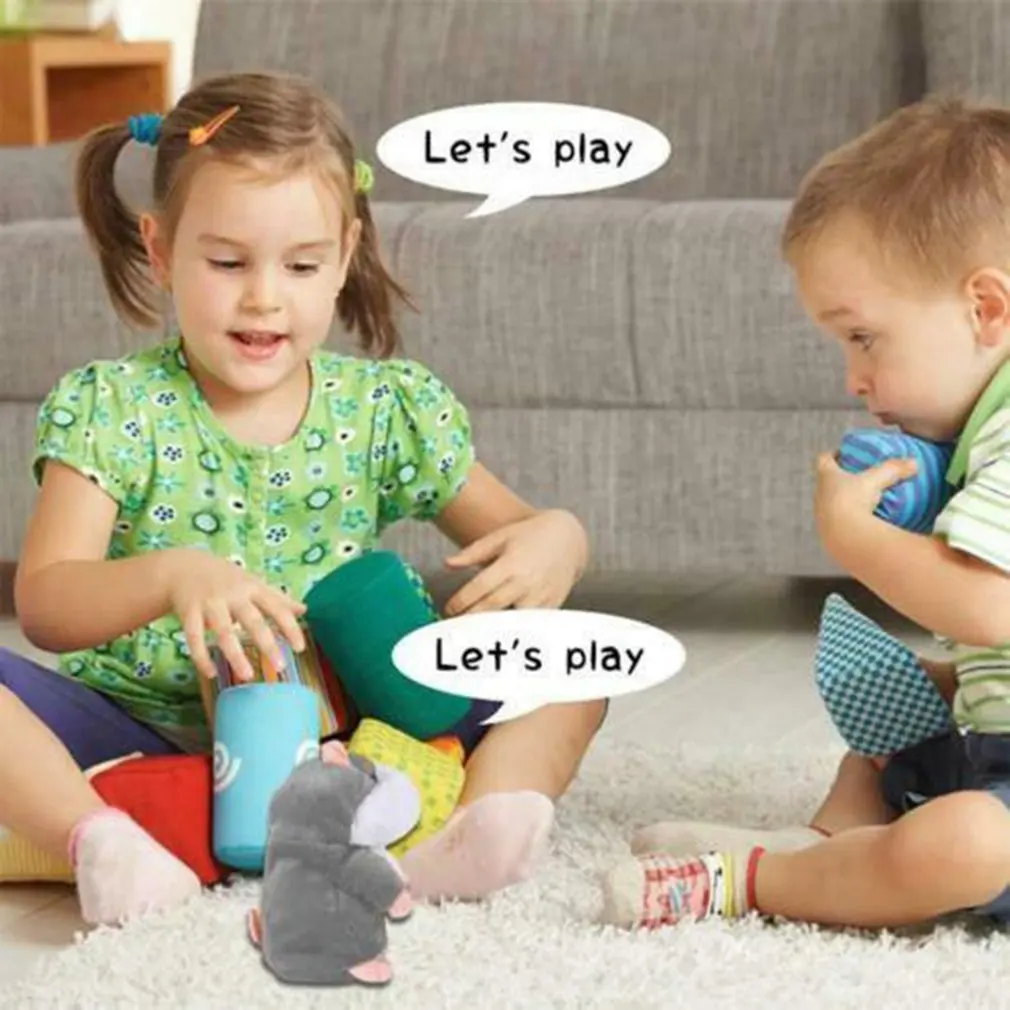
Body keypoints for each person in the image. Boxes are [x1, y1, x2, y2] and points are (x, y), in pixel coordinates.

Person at [7, 71, 604, 926]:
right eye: (226, 262)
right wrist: (173, 575)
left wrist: (562, 536)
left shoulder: (381, 409)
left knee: (577, 664)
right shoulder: (116, 408)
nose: (264, 296)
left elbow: (520, 531)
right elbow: (47, 601)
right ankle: (99, 841)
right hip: (143, 730)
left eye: (301, 264)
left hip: (350, 738)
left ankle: (477, 827)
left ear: (345, 255)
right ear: (160, 249)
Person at [600, 95, 1010, 931]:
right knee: (899, 695)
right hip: (991, 743)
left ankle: (757, 882)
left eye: (864, 338)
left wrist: (853, 539)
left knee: (968, 844)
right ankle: (825, 842)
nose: (853, 378)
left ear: (987, 309)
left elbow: (990, 606)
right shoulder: (978, 438)